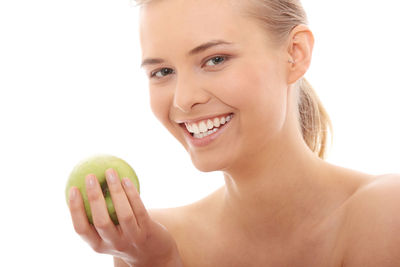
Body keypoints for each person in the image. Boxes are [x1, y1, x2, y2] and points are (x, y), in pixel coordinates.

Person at [68, 0, 400, 266]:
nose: (184, 99)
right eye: (162, 71)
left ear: (295, 54)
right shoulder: (149, 243)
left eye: (215, 60)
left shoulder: (384, 213)